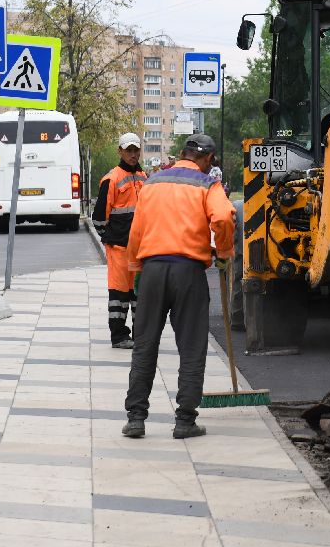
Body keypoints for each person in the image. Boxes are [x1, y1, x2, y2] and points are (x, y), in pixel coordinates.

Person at [121, 133, 235, 440]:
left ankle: (136, 418)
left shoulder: (152, 183)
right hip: (188, 271)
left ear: (182, 153)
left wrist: (135, 268)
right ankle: (185, 421)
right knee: (192, 346)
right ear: (208, 160)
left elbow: (137, 229)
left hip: (153, 270)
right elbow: (223, 217)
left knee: (144, 344)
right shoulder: (208, 184)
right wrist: (223, 253)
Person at [93, 132, 148, 348]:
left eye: (136, 150)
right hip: (119, 247)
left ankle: (141, 335)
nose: (133, 154)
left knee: (140, 294)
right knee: (119, 294)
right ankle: (119, 336)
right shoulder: (111, 179)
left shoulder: (144, 178)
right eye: (129, 150)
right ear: (120, 151)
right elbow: (99, 218)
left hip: (141, 248)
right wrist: (111, 238)